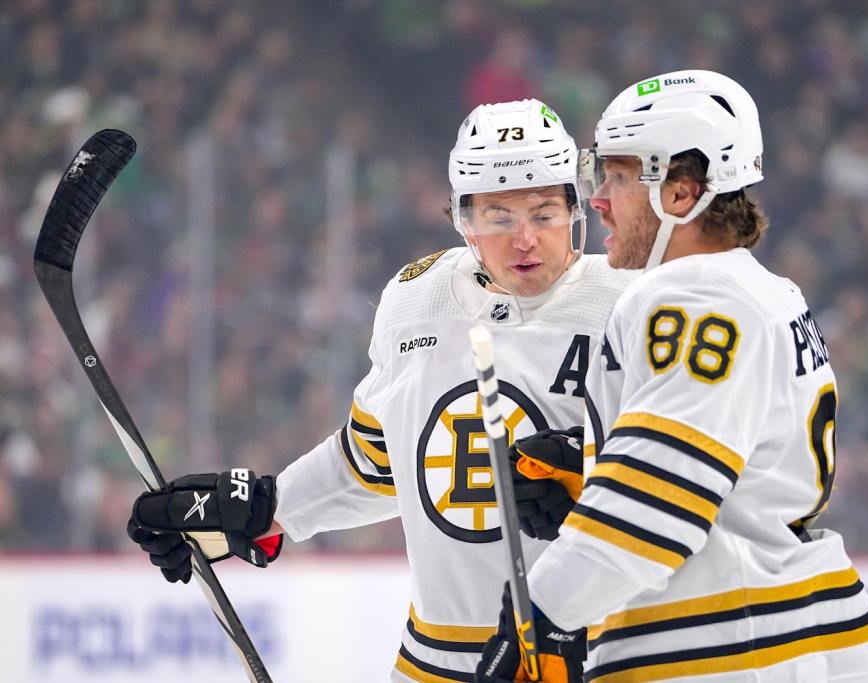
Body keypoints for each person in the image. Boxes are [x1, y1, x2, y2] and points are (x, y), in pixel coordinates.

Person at [126, 98, 636, 682]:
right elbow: (376, 461)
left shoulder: (629, 303)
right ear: (461, 218)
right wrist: (269, 509)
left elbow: (689, 478)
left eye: (544, 212)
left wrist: (594, 472)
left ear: (576, 210)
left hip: (588, 660)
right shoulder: (416, 300)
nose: (524, 239)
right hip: (433, 665)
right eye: (498, 216)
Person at [476, 71, 868, 682]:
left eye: (618, 177)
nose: (596, 198)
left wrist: (534, 617)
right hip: (779, 634)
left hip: (725, 648)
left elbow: (653, 507)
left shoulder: (694, 301)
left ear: (681, 193)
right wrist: (590, 470)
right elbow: (735, 471)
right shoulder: (758, 289)